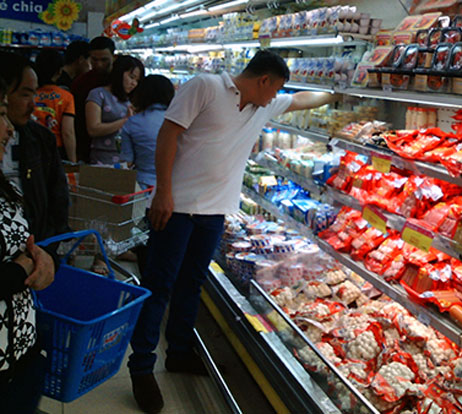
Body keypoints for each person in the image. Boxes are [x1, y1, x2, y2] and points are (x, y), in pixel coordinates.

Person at [128, 50, 339, 414]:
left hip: (214, 214)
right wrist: (163, 191)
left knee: (191, 283)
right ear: (263, 81)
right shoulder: (205, 86)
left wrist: (337, 91)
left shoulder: (262, 107)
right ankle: (142, 367)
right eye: (275, 89)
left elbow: (302, 99)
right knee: (159, 285)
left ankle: (178, 350)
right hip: (176, 208)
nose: (276, 97)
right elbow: (168, 135)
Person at [0, 76, 55, 414]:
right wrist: (24, 267)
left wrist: (45, 259)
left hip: (20, 349)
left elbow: (25, 241)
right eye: (1, 114)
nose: (8, 129)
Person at [0, 51, 69, 265]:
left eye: (34, 94)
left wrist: (44, 254)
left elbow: (58, 200)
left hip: (35, 257)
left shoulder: (41, 140)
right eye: (24, 94)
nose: (33, 105)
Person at [85, 55, 143, 165]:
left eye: (137, 80)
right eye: (131, 77)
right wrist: (125, 121)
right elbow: (93, 129)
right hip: (102, 159)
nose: (134, 83)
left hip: (128, 160)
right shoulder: (98, 94)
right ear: (119, 73)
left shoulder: (133, 100)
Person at [120, 74, 174, 189]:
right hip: (174, 185)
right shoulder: (178, 121)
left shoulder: (132, 122)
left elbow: (127, 161)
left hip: (143, 185)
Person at [71, 36, 115, 162]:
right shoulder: (81, 83)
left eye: (104, 60)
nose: (99, 64)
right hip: (88, 147)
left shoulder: (121, 81)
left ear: (114, 57)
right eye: (94, 60)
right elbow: (76, 118)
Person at [33, 49, 77, 162]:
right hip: (56, 148)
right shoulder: (66, 97)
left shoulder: (29, 94)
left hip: (32, 145)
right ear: (59, 71)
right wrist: (73, 161)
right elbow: (68, 132)